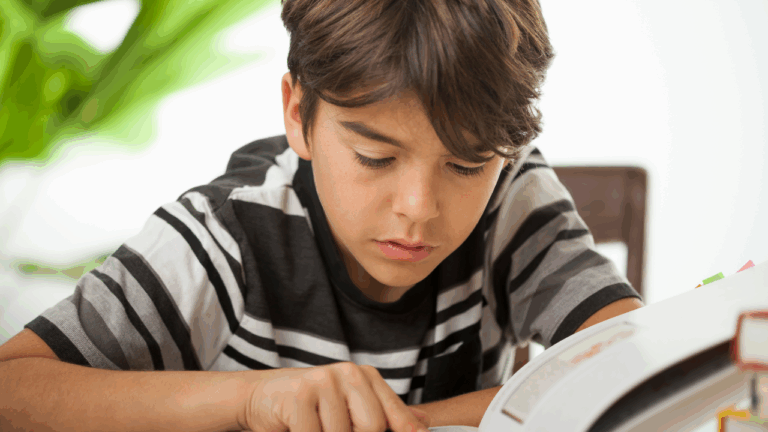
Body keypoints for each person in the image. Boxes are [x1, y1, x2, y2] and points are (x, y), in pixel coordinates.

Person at [0, 0, 644, 431]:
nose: (418, 209)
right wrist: (253, 400)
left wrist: (411, 422)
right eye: (374, 157)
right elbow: (14, 388)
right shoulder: (225, 236)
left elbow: (632, 352)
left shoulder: (512, 196)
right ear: (296, 113)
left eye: (467, 166)